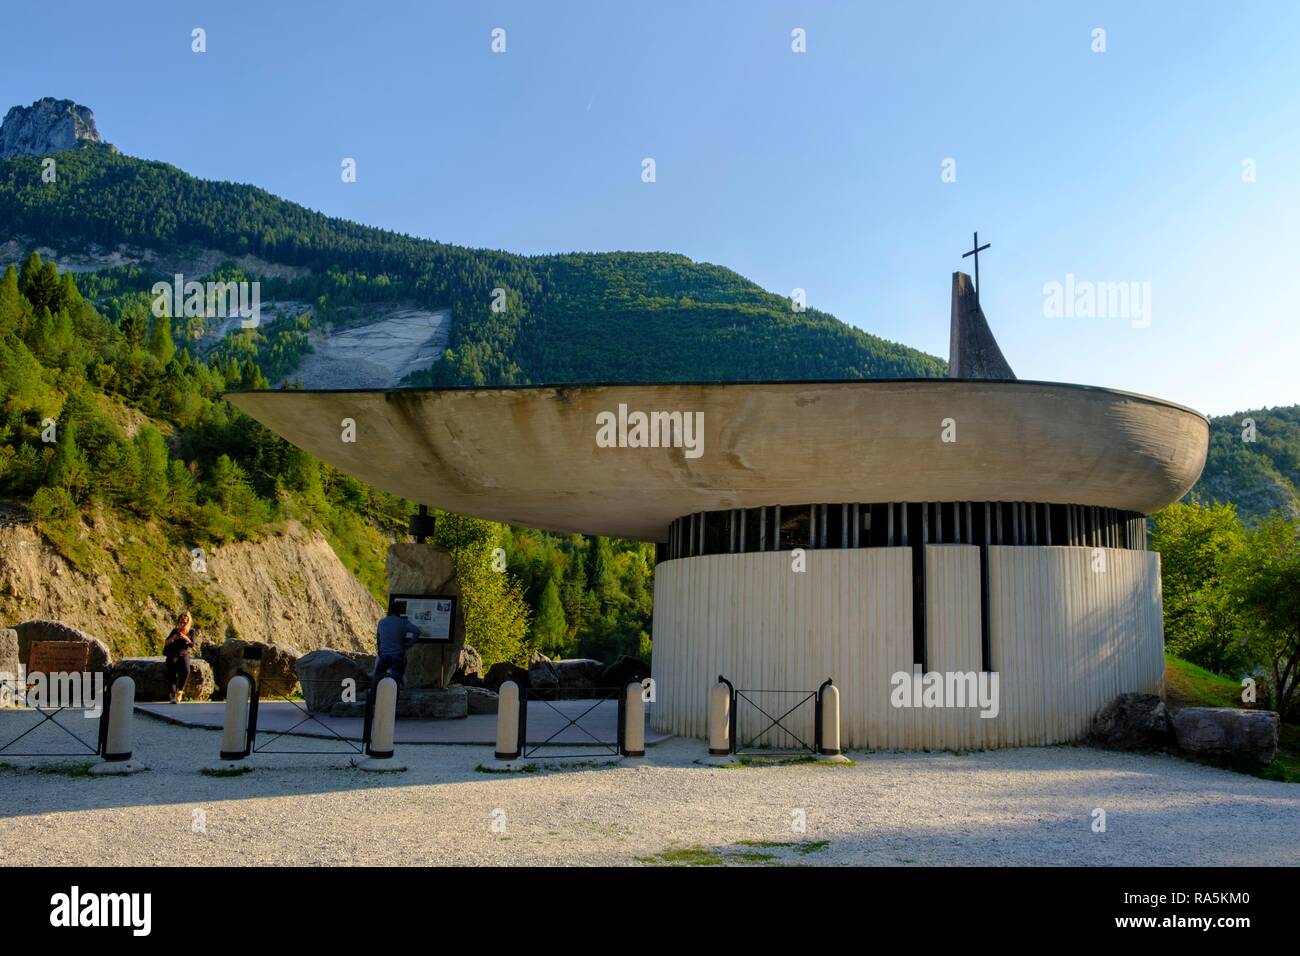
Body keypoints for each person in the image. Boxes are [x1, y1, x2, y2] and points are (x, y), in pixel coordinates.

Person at [374, 599, 421, 688]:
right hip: (397, 655)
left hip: (384, 655)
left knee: (377, 678)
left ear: (390, 611)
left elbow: (378, 638)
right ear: (400, 611)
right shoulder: (403, 622)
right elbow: (417, 632)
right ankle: (393, 698)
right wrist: (409, 644)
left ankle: (373, 697)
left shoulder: (381, 622)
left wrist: (380, 650)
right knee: (394, 682)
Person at [163, 611, 195, 705]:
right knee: (171, 674)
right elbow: (166, 642)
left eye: (186, 618)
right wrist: (174, 637)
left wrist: (185, 637)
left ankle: (180, 691)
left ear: (189, 620)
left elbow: (192, 644)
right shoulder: (175, 630)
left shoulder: (191, 631)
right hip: (172, 654)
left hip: (183, 654)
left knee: (186, 671)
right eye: (182, 617)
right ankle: (172, 696)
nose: (183, 620)